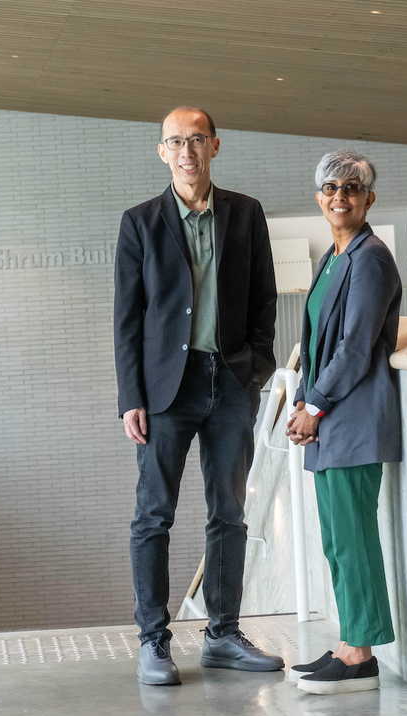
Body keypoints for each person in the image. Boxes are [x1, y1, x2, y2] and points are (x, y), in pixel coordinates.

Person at [114, 106, 283, 686]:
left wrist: (256, 368)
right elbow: (127, 318)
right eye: (174, 142)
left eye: (196, 140)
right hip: (165, 391)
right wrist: (130, 395)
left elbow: (265, 298)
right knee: (153, 516)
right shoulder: (139, 223)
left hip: (231, 384)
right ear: (162, 151)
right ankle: (154, 642)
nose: (186, 151)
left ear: (215, 146)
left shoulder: (246, 213)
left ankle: (222, 635)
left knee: (230, 514)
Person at [285, 149, 402, 695]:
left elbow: (355, 348)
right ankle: (348, 640)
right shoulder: (336, 258)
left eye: (351, 190)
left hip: (353, 419)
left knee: (353, 539)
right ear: (318, 197)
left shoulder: (371, 258)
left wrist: (316, 404)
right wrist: (303, 400)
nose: (340, 197)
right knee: (337, 540)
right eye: (331, 188)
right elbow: (317, 344)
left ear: (368, 199)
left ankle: (362, 653)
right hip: (331, 419)